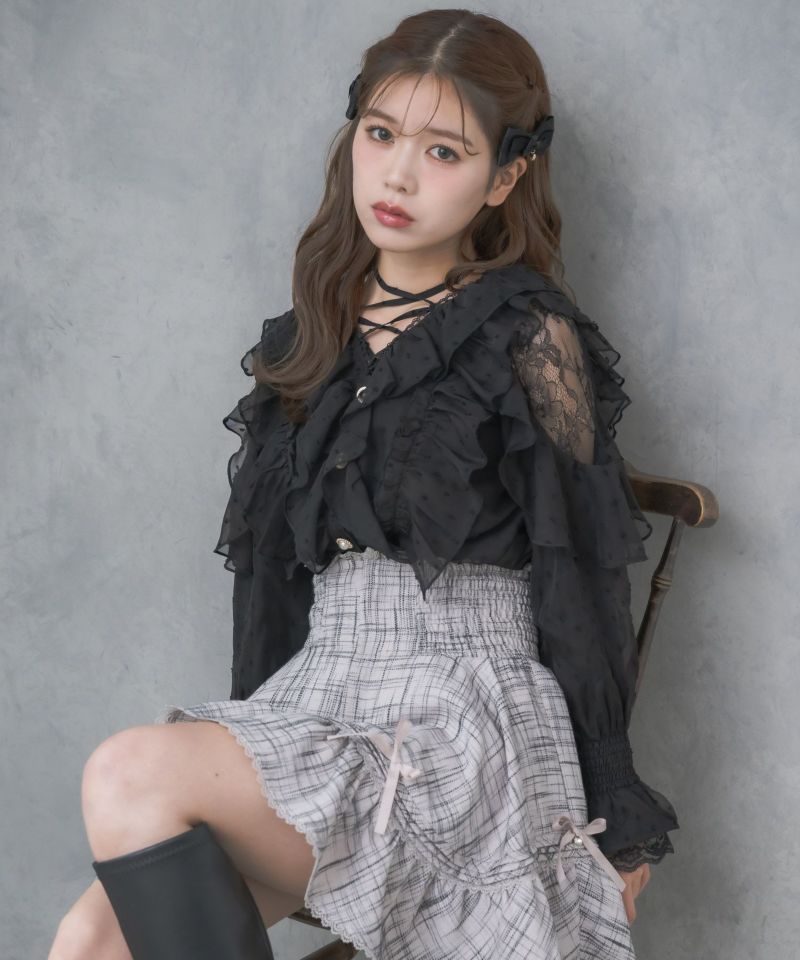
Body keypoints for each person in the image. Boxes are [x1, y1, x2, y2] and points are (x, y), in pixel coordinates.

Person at [48, 9, 680, 960]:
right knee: (89, 940)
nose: (397, 175)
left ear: (504, 178)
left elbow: (581, 575)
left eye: (443, 151)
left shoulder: (526, 334)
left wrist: (616, 819)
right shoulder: (309, 337)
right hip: (323, 699)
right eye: (381, 135)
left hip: (463, 724)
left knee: (128, 773)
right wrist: (250, 748)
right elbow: (268, 584)